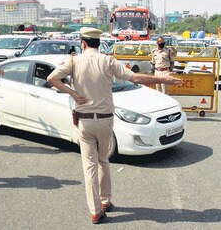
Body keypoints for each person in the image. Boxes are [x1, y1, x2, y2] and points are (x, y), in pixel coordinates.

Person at [47, 27, 182, 224]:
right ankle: (105, 201)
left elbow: (51, 78)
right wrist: (163, 78)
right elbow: (135, 78)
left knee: (89, 166)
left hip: (84, 120)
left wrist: (73, 93)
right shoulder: (108, 60)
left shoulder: (74, 61)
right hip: (105, 120)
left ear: (82, 43)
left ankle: (95, 211)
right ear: (98, 43)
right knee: (103, 161)